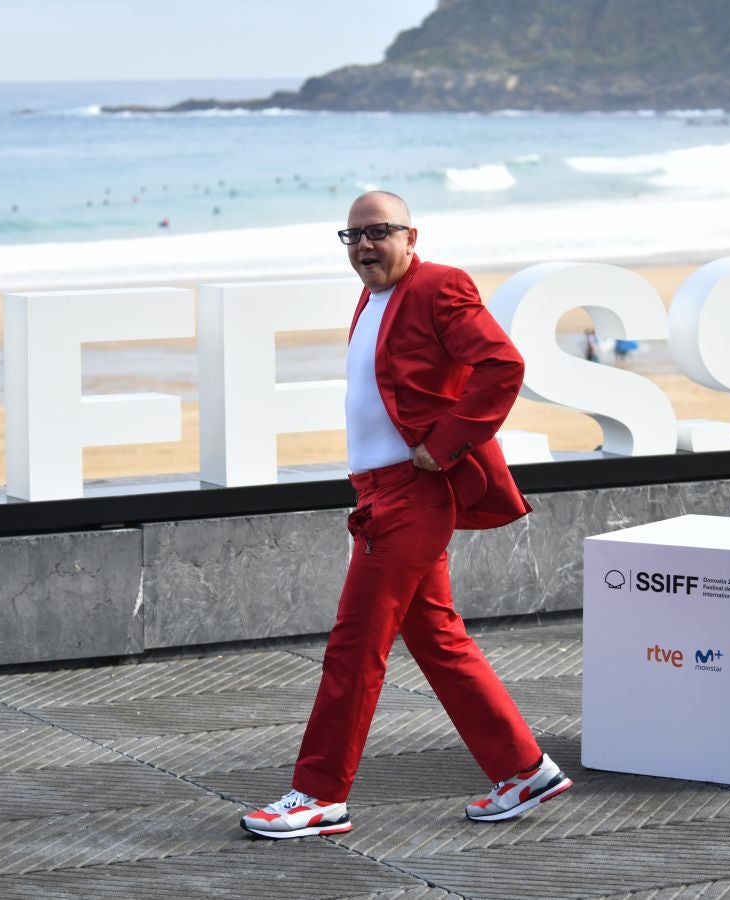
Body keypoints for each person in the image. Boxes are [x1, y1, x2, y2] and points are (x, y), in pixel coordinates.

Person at [241, 190, 571, 840]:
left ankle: (318, 795)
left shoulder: (439, 286)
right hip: (377, 491)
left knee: (354, 645)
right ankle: (523, 769)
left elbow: (502, 366)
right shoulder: (371, 298)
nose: (365, 245)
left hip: (411, 493)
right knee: (439, 639)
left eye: (379, 232)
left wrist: (441, 444)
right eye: (353, 235)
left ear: (411, 235)